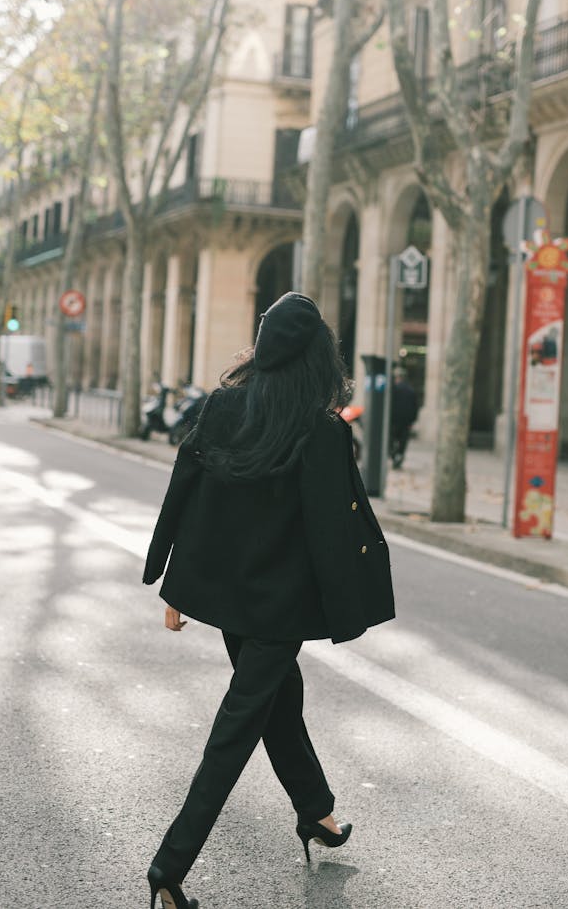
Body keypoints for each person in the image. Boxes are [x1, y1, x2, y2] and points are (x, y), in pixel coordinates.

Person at [142, 292, 395, 909]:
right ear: (318, 358)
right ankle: (169, 868)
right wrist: (348, 611)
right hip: (282, 608)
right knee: (237, 729)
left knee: (280, 703)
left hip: (232, 599)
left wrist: (170, 581)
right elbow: (336, 533)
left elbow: (187, 495)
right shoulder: (323, 429)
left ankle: (318, 815)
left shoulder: (223, 407)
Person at [389, 367, 418, 470]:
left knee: (391, 440)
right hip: (406, 422)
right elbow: (415, 407)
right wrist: (412, 420)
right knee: (402, 441)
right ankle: (399, 457)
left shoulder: (393, 390)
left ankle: (393, 455)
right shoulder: (411, 390)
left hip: (394, 421)